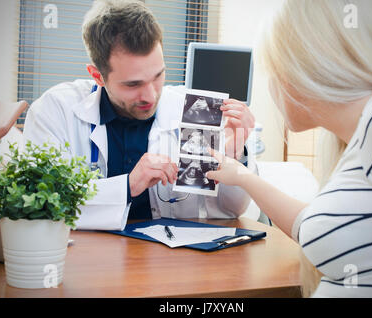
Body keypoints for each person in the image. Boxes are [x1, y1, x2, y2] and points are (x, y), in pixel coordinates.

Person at [206, 0, 372, 297]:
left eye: (274, 73)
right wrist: (242, 176)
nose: (272, 88)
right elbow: (311, 227)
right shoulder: (356, 141)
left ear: (300, 70)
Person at [23, 0, 256, 230]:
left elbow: (230, 211)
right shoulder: (55, 110)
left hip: (167, 261)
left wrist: (235, 155)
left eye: (158, 76)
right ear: (97, 76)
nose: (151, 95)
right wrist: (127, 186)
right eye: (133, 84)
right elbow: (39, 204)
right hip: (87, 258)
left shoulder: (196, 110)